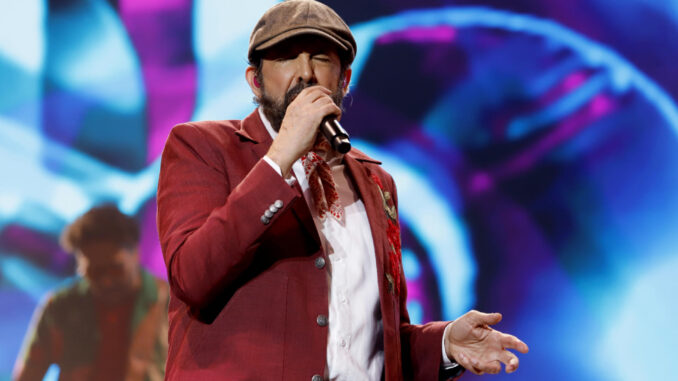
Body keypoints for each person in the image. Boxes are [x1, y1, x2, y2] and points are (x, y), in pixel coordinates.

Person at [156, 1, 528, 380]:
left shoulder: (375, 181)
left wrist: (445, 343)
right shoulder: (202, 147)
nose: (305, 74)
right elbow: (194, 278)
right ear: (255, 80)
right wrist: (281, 156)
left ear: (344, 80)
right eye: (286, 58)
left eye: (320, 58)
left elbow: (375, 339)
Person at [13, 205, 169, 381]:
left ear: (135, 252)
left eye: (116, 269)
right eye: (94, 272)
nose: (106, 281)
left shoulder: (171, 304)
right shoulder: (59, 306)